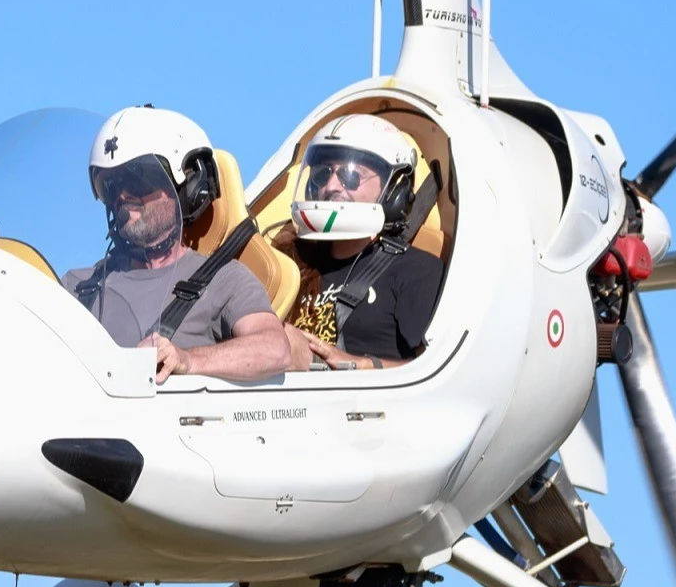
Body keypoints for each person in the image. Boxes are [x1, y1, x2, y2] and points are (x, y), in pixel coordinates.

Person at [62, 106, 289, 384]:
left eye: (137, 180)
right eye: (110, 184)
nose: (122, 195)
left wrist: (187, 359)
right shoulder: (77, 286)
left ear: (189, 191)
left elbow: (274, 348)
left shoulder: (225, 279)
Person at [273, 114, 443, 371]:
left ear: (393, 191)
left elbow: (437, 370)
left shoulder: (416, 271)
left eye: (350, 176)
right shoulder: (289, 262)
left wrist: (362, 366)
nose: (331, 186)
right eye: (322, 174)